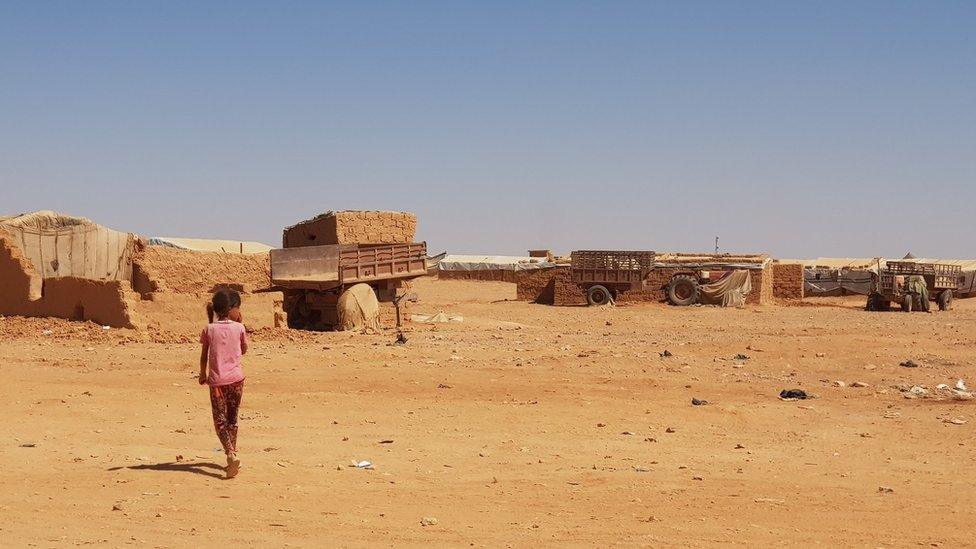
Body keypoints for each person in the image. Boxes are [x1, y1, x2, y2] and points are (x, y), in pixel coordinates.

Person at [199, 290, 248, 478]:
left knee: (220, 421)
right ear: (230, 308)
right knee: (233, 419)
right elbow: (243, 350)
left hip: (218, 382)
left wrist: (202, 374)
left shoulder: (209, 329)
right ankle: (232, 453)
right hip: (237, 380)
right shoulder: (239, 328)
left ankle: (230, 453)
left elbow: (204, 355)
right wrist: (240, 325)